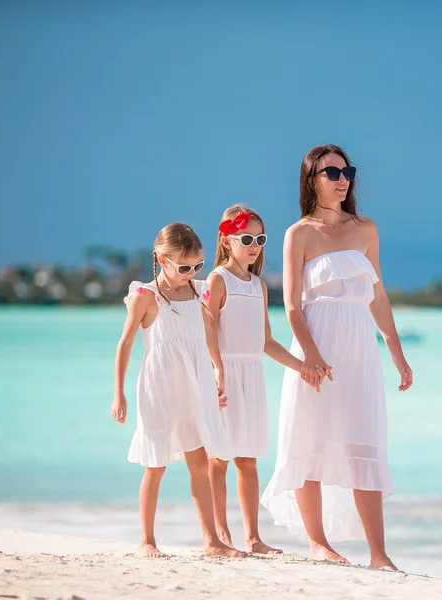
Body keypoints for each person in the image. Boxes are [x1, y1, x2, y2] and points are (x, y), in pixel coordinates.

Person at [261, 145, 413, 570]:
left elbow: (377, 295)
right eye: (332, 172)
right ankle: (318, 543)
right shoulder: (299, 233)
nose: (342, 178)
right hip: (316, 342)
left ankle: (379, 555)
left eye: (347, 171)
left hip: (361, 349)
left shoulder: (366, 229)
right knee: (308, 437)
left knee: (363, 440)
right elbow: (291, 305)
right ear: (312, 180)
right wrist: (310, 355)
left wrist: (397, 354)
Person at [111, 222, 244, 558]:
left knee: (199, 462)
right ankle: (146, 540)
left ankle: (211, 541)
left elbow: (207, 337)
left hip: (194, 386)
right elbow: (125, 344)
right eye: (184, 267)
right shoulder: (146, 295)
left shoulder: (199, 292)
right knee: (155, 465)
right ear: (161, 259)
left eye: (197, 266)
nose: (191, 272)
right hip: (159, 387)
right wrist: (119, 392)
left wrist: (217, 372)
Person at [204, 204, 323, 554]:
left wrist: (301, 366)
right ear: (227, 241)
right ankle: (220, 534)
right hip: (224, 372)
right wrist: (216, 369)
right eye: (246, 238)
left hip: (252, 375)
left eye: (260, 238)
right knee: (219, 457)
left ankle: (253, 538)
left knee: (248, 459)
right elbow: (207, 326)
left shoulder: (258, 286)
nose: (254, 245)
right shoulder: (217, 280)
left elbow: (266, 341)